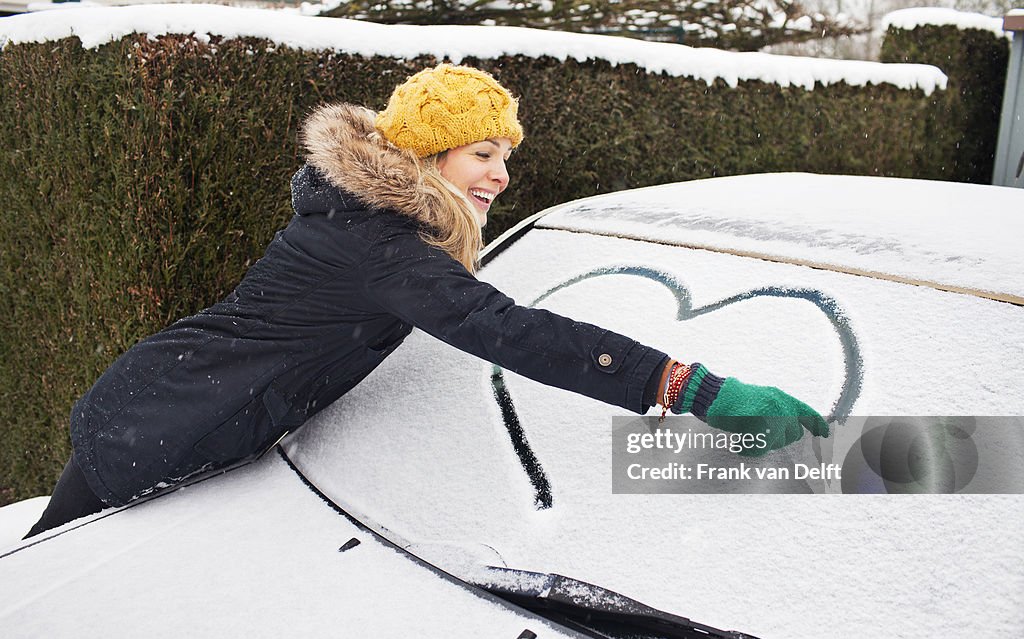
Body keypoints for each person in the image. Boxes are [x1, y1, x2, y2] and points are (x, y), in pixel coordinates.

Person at [24, 64, 827, 539]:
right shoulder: (379, 245)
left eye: (505, 154)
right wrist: (685, 386)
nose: (502, 174)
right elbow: (499, 327)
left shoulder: (369, 222)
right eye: (484, 153)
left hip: (163, 404)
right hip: (156, 428)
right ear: (426, 154)